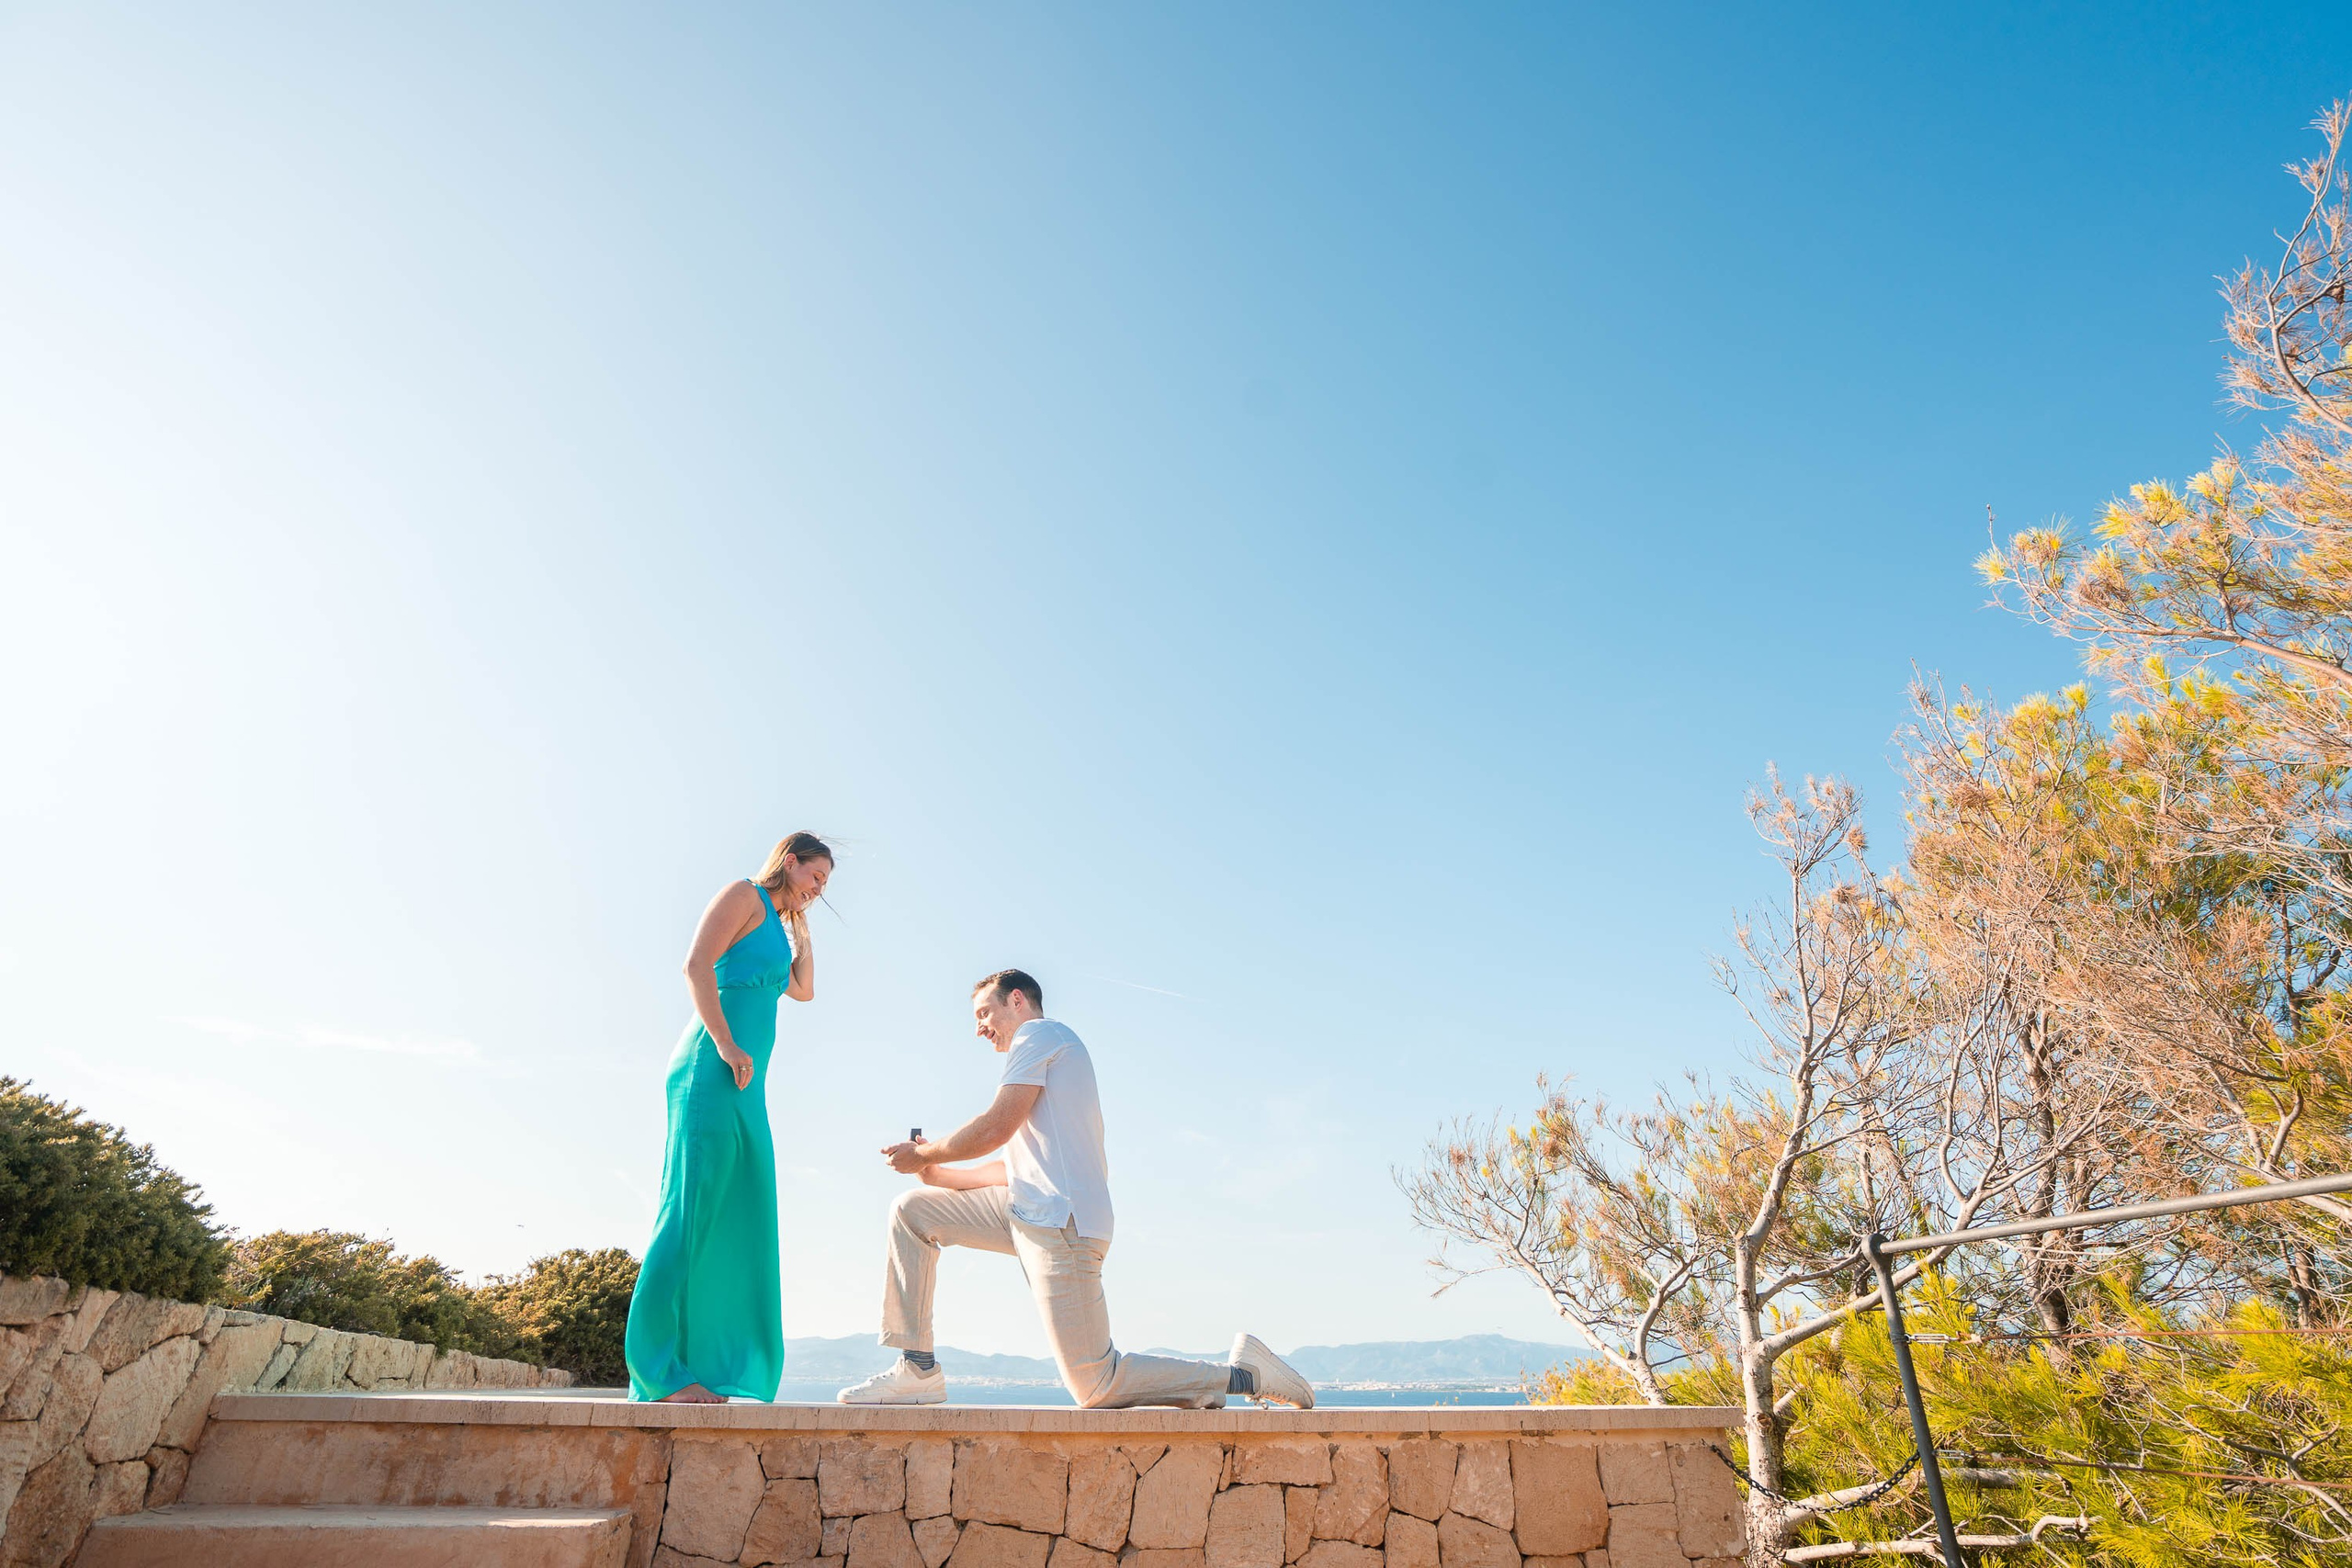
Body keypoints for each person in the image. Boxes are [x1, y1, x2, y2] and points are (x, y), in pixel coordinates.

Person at [837, 968, 1314, 1409]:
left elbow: (995, 1127)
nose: (979, 1028)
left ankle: (1243, 1375)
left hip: (1062, 1225)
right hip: (1026, 1209)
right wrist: (939, 1176)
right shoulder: (1039, 1053)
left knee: (1095, 1384)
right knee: (914, 1211)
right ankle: (918, 1370)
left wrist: (926, 1155)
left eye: (984, 1013)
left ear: (1017, 1001)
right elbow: (1015, 1165)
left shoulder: (1040, 1035)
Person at [625, 832, 832, 1403]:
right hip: (711, 1069)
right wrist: (725, 1043)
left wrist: (802, 925)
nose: (819, 888)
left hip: (746, 1086)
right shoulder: (743, 895)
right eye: (815, 875)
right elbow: (695, 965)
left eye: (825, 883)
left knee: (742, 1209)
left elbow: (803, 990)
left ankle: (707, 1366)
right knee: (689, 1211)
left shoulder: (781, 924)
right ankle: (658, 1373)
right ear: (790, 861)